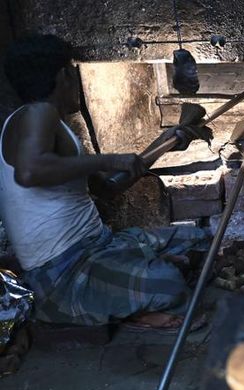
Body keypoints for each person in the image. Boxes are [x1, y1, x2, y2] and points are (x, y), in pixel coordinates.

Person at [0, 35, 211, 331]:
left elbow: (108, 188)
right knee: (168, 285)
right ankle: (136, 304)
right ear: (64, 75)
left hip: (99, 246)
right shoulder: (38, 112)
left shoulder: (50, 127)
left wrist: (162, 144)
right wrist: (108, 159)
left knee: (201, 241)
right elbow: (29, 173)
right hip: (63, 275)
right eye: (73, 71)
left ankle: (132, 284)